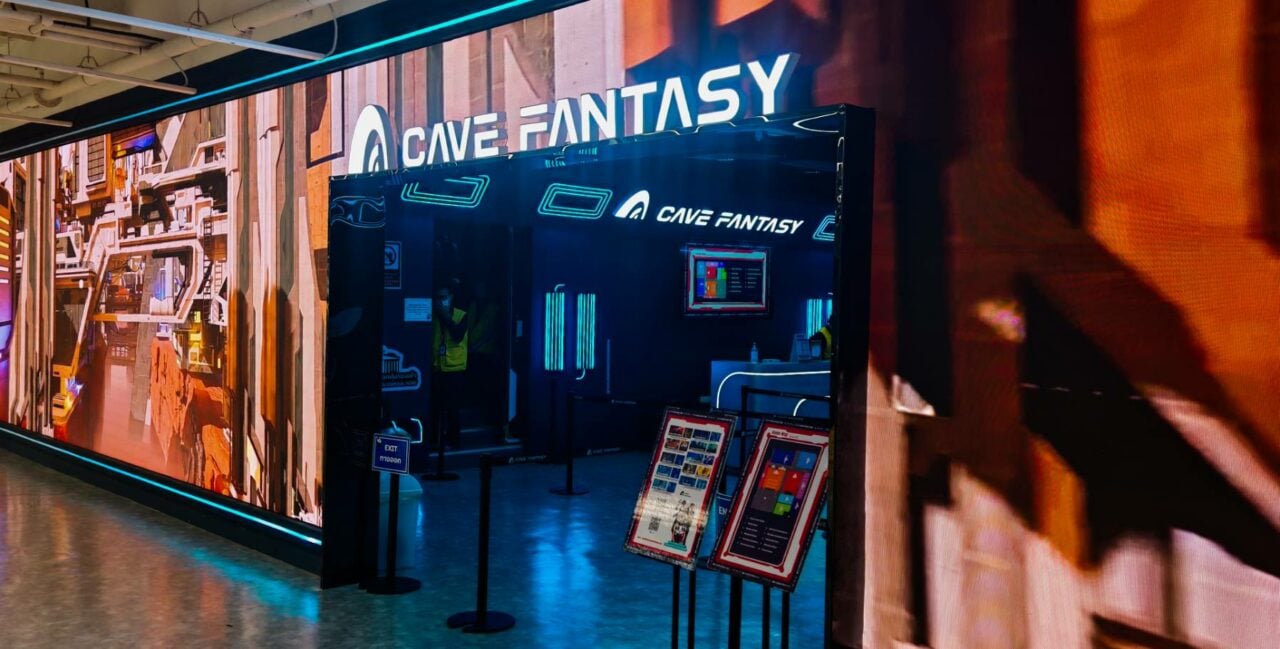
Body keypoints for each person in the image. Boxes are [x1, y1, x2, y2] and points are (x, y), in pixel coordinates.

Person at [432, 282, 468, 448]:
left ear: (451, 297)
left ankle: (454, 441)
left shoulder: (461, 315)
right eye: (437, 298)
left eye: (443, 297)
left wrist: (445, 315)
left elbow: (457, 335)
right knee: (435, 407)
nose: (440, 301)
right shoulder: (432, 315)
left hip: (454, 368)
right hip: (436, 367)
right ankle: (435, 439)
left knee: (453, 408)